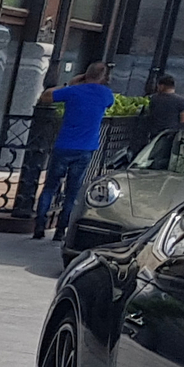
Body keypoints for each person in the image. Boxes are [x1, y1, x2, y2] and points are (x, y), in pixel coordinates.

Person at [31, 62, 114, 241]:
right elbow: (108, 104)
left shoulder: (73, 91)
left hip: (64, 144)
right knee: (72, 190)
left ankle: (39, 225)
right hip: (86, 147)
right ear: (103, 77)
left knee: (50, 187)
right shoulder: (105, 94)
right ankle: (61, 230)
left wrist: (71, 83)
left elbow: (46, 96)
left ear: (85, 74)